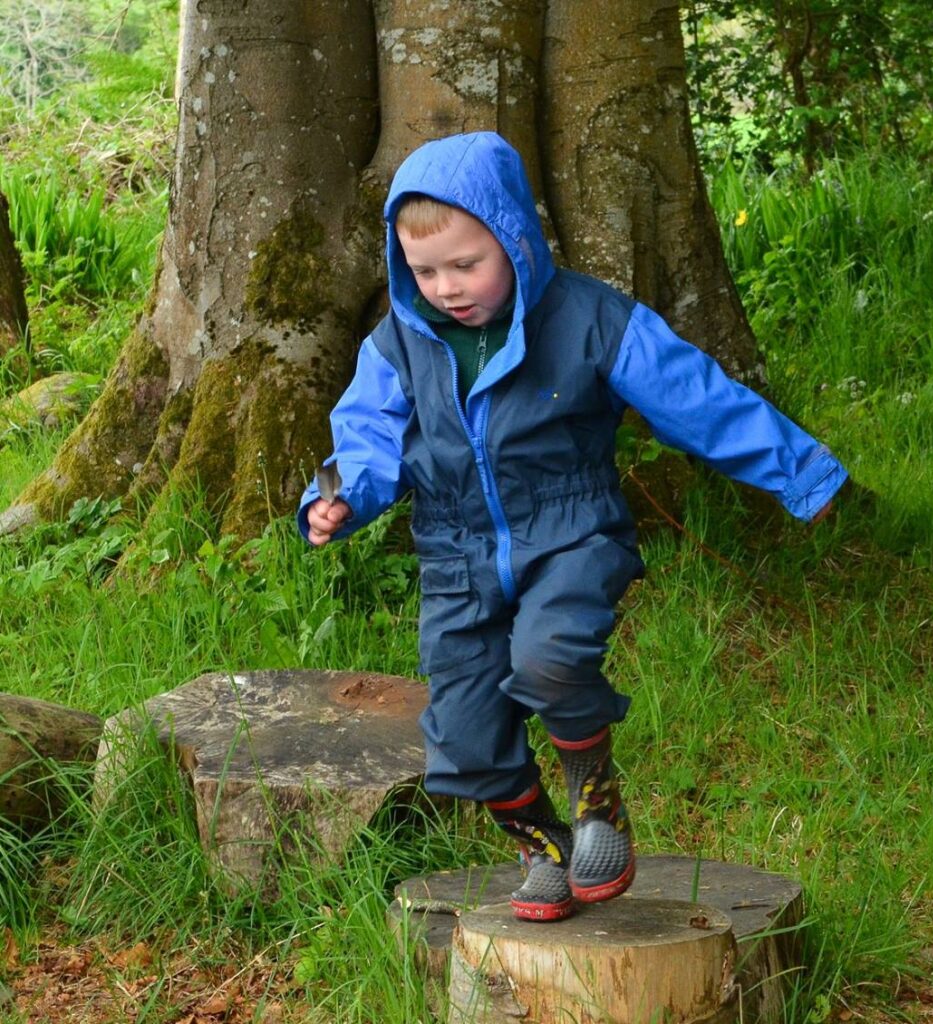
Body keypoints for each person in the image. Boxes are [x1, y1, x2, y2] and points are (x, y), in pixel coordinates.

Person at [299, 131, 847, 922]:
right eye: (424, 271)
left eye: (466, 264)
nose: (446, 288)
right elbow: (364, 438)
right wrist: (339, 494)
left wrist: (801, 473)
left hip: (571, 533)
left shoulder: (590, 319)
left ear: (515, 241)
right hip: (456, 555)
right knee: (463, 734)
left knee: (551, 658)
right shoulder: (399, 343)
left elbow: (698, 398)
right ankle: (543, 847)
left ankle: (598, 804)